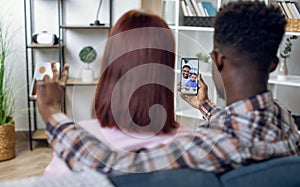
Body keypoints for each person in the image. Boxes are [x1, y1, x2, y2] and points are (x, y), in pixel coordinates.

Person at [37, 1, 300, 175]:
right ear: (274, 65)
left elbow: (117, 168)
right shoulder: (284, 122)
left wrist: (51, 111)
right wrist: (204, 106)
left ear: (217, 60)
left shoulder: (203, 149)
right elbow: (243, 127)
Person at [43, 10, 192, 176]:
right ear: (166, 73)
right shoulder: (190, 146)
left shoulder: (75, 145)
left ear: (110, 69)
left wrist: (50, 111)